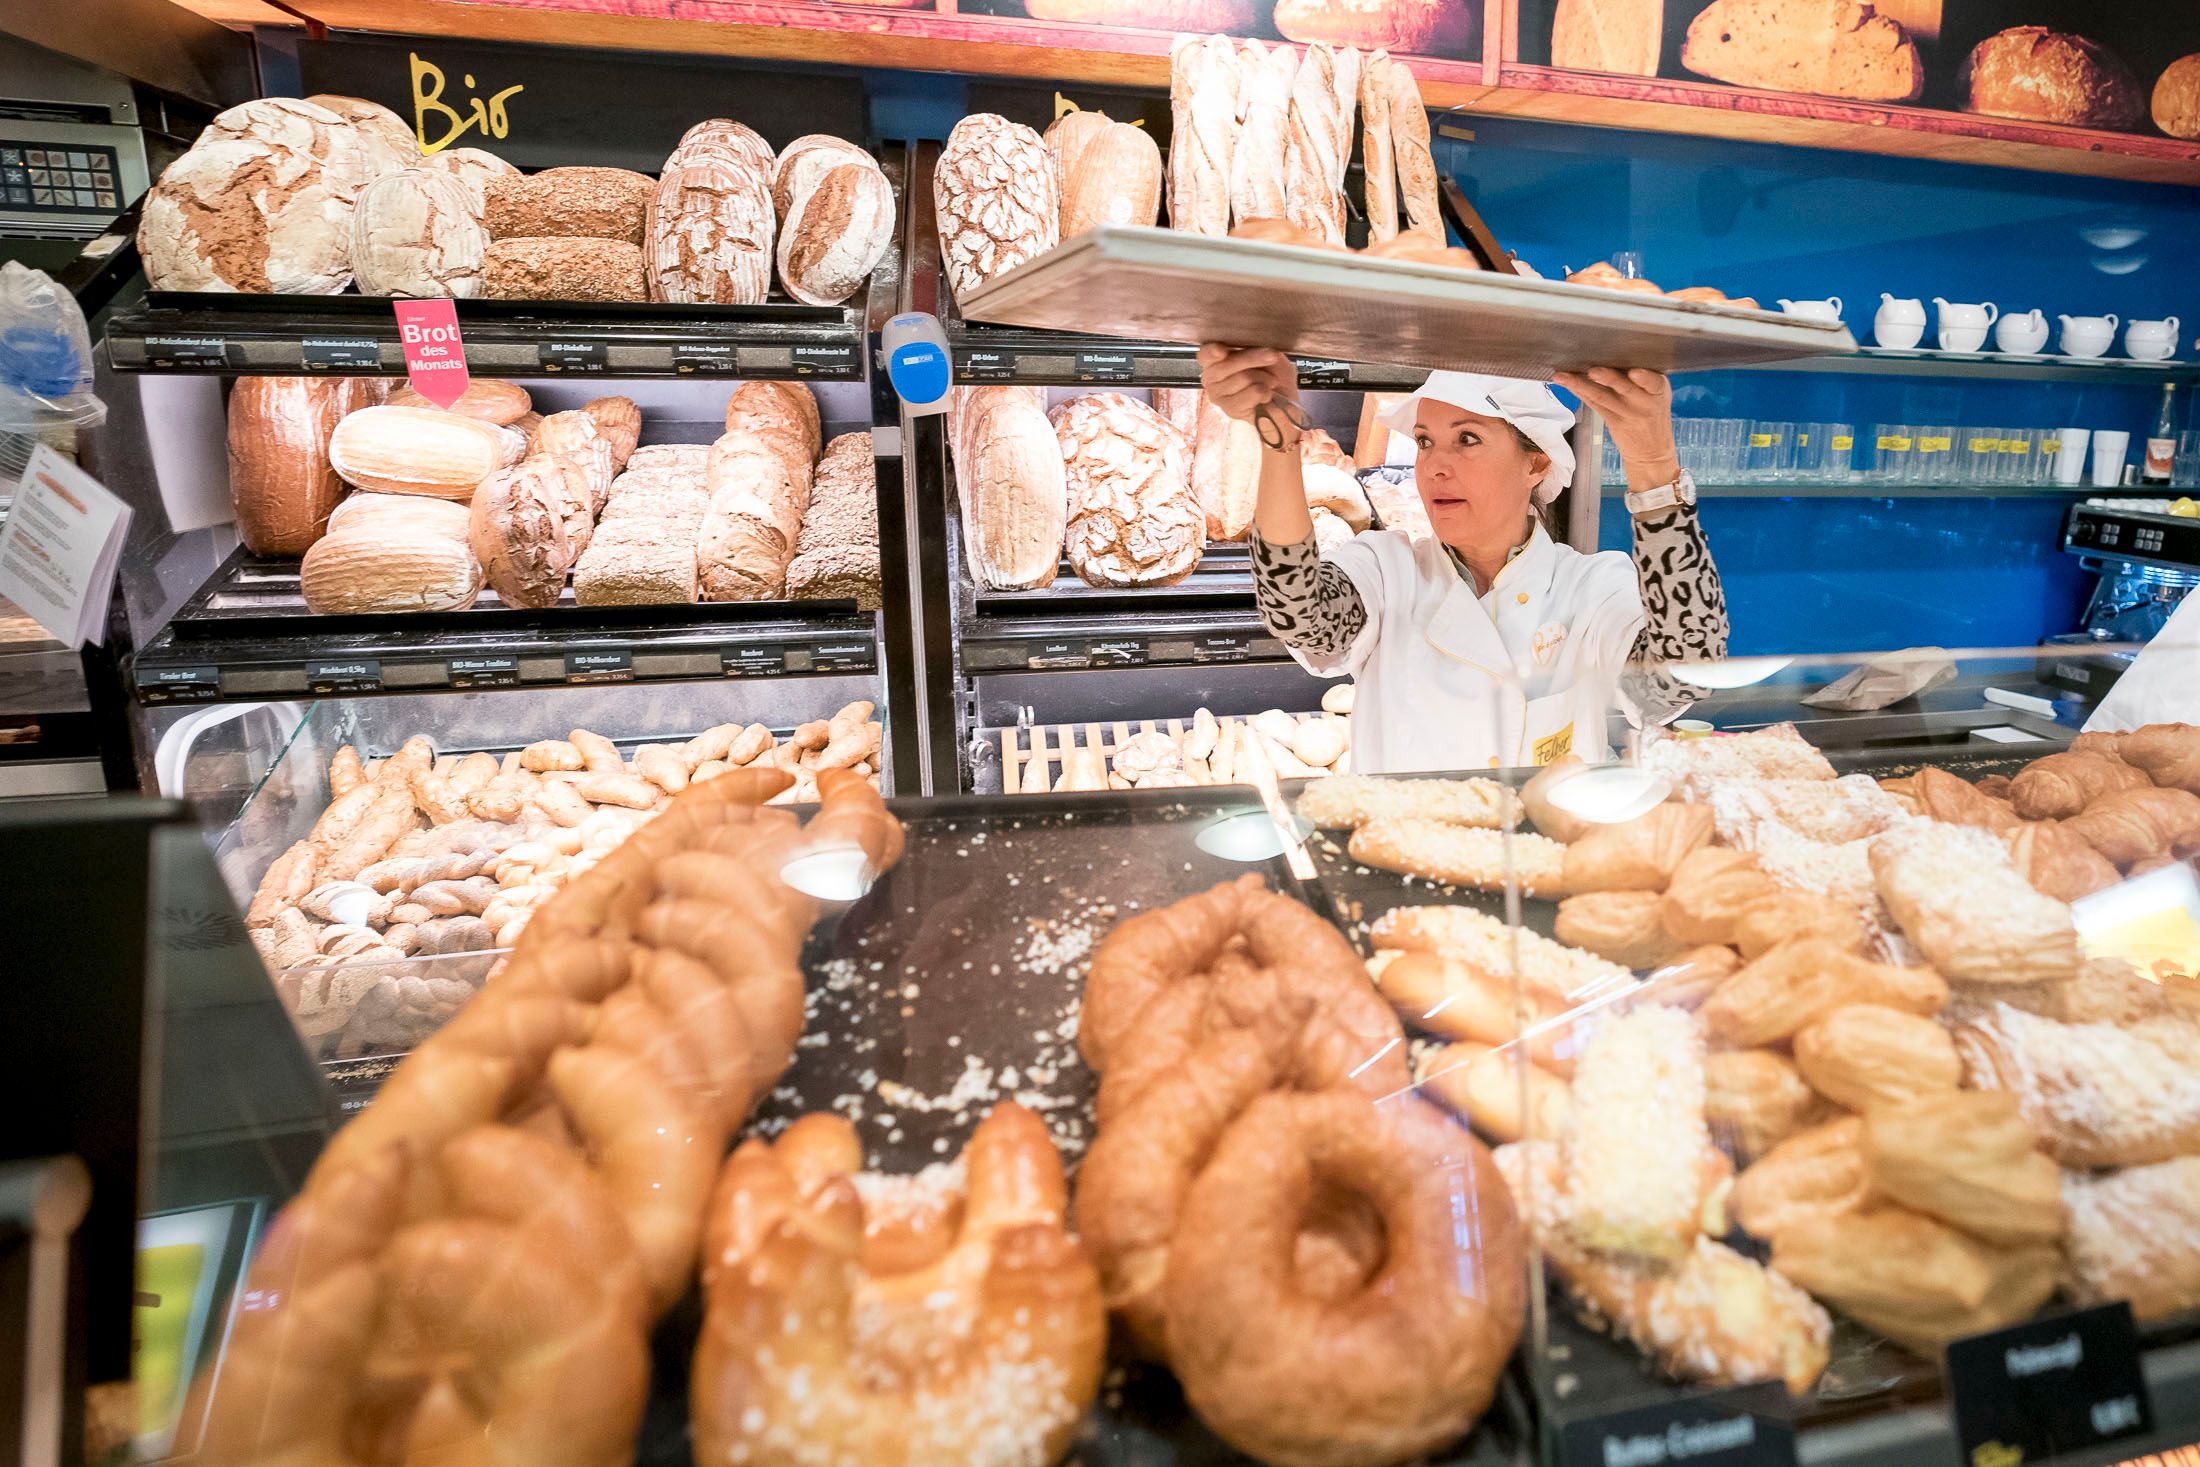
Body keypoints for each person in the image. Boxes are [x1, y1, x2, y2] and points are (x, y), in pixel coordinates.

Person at [1198, 345, 1728, 772]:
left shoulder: (1590, 587)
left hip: (1547, 869)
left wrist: (1652, 460)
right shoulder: (1388, 572)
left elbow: (1683, 676)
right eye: (1426, 442)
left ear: (1536, 465)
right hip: (1400, 876)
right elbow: (1299, 614)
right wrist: (1279, 441)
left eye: (1467, 439)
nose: (1435, 468)